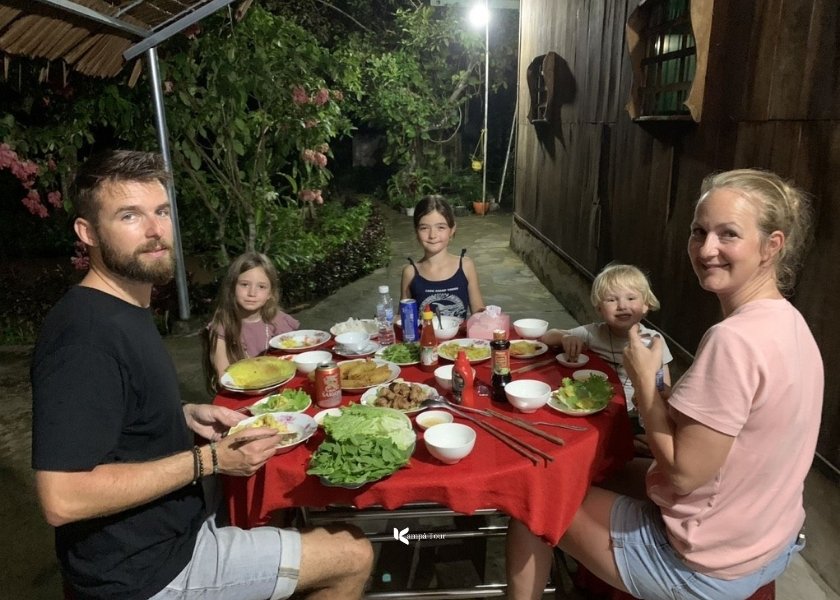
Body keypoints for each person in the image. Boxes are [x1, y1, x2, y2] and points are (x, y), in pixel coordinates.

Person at [31, 150, 372, 600]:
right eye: (129, 215)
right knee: (354, 554)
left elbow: (111, 410)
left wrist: (181, 415)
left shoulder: (124, 307)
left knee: (283, 505)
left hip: (174, 529)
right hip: (149, 569)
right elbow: (63, 498)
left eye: (162, 211)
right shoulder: (83, 336)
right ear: (87, 232)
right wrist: (210, 460)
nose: (155, 231)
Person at [505, 168, 822, 600]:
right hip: (768, 538)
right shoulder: (790, 321)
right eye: (699, 231)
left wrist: (644, 383)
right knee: (600, 465)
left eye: (728, 234)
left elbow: (684, 474)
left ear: (772, 246)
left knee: (531, 499)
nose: (707, 249)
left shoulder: (733, 340)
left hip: (706, 565)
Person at [541, 263, 673, 414]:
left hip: (637, 413)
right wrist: (565, 337)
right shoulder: (592, 333)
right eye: (611, 300)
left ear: (645, 305)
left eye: (631, 298)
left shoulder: (654, 341)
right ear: (599, 309)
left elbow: (663, 387)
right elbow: (547, 336)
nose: (622, 306)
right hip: (595, 407)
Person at [206, 252, 299, 388]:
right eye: (244, 285)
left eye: (261, 287)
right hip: (242, 391)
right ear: (232, 288)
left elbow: (296, 359)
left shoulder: (280, 322)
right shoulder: (222, 327)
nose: (252, 293)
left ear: (270, 294)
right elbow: (223, 377)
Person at [401, 194, 485, 319]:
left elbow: (479, 315)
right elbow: (404, 319)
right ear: (416, 231)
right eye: (424, 228)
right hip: (425, 338)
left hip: (459, 339)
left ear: (452, 230)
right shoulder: (410, 272)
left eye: (441, 227)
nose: (432, 235)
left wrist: (489, 315)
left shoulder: (466, 266)